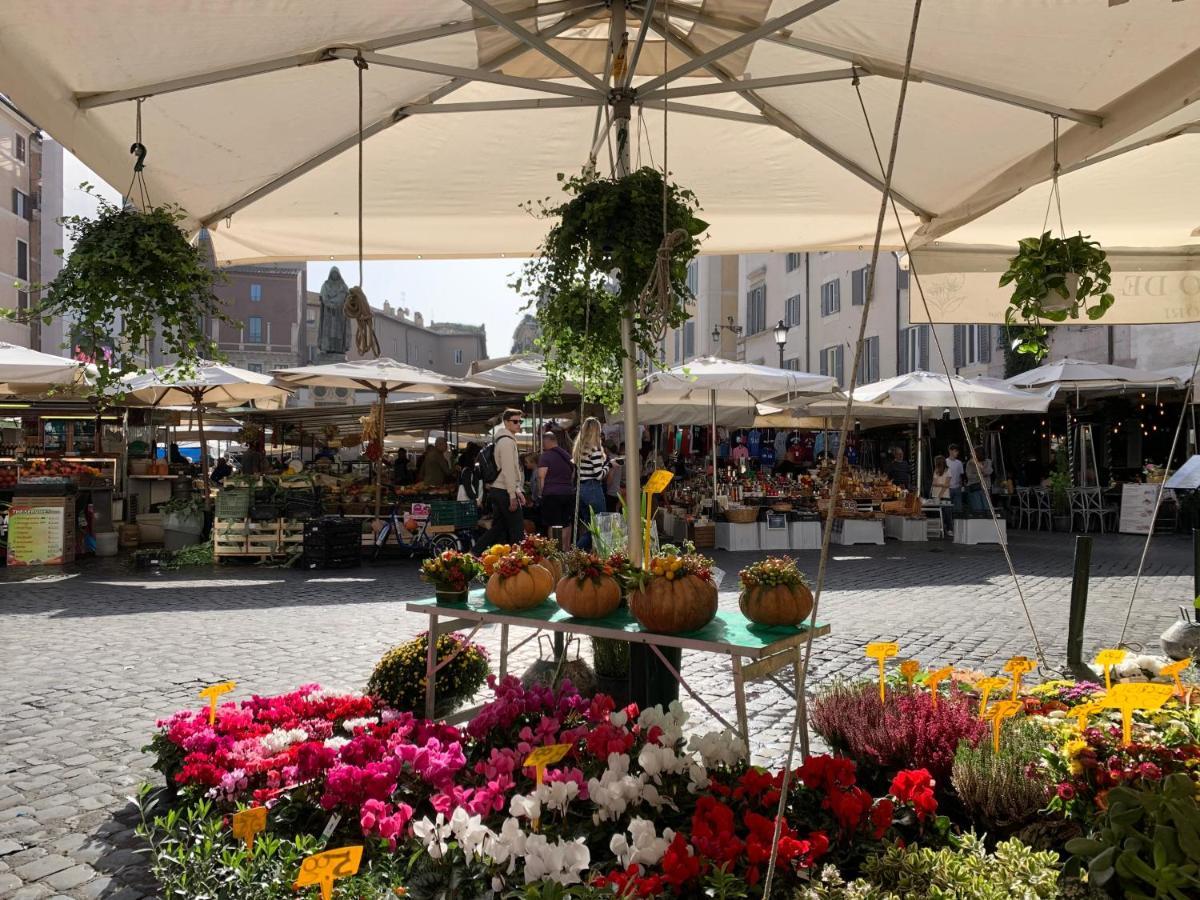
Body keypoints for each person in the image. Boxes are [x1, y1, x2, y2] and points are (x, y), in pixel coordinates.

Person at [475, 409, 525, 550]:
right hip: (503, 490)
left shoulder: (503, 441)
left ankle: (475, 552)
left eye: (520, 421)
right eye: (515, 421)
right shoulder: (507, 442)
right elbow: (508, 470)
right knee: (517, 531)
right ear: (506, 422)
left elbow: (507, 471)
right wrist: (512, 494)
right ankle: (521, 563)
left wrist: (517, 490)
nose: (518, 424)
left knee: (499, 528)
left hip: (499, 489)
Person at [573, 417, 610, 549]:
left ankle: (578, 552)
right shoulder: (595, 449)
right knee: (600, 526)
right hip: (593, 488)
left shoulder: (580, 449)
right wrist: (610, 465)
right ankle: (576, 550)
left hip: (582, 489)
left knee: (590, 526)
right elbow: (599, 475)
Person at [537, 430, 575, 548]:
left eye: (542, 441)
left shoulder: (546, 456)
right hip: (568, 493)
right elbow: (573, 475)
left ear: (547, 441)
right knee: (566, 524)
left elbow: (541, 476)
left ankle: (554, 551)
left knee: (553, 524)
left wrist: (540, 493)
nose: (542, 444)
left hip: (551, 494)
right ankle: (566, 550)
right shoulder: (567, 456)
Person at [930, 454, 952, 535]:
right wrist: (942, 485)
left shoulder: (948, 470)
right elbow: (934, 483)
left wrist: (940, 495)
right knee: (938, 513)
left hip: (945, 495)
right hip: (935, 494)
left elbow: (947, 485)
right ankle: (940, 529)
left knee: (947, 513)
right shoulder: (936, 470)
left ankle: (949, 529)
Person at [946, 443, 965, 514]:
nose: (957, 453)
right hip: (948, 488)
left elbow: (961, 475)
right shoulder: (945, 462)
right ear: (950, 451)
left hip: (957, 488)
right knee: (948, 508)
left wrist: (961, 486)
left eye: (957, 451)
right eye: (955, 451)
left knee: (958, 508)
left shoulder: (959, 463)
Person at [604, 443, 623, 513]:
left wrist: (606, 484)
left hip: (611, 492)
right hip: (618, 490)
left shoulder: (611, 460)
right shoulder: (619, 459)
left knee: (611, 514)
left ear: (606, 449)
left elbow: (610, 478)